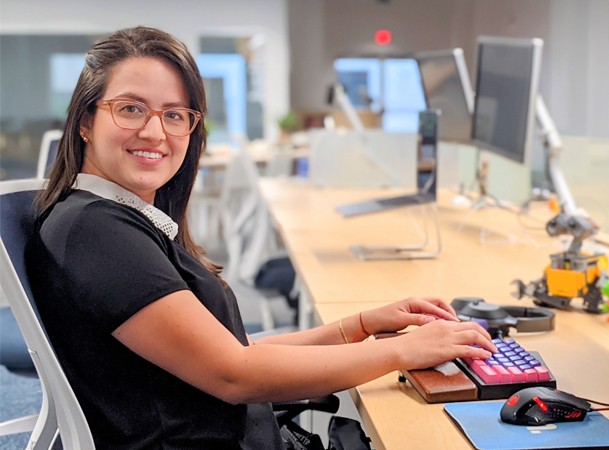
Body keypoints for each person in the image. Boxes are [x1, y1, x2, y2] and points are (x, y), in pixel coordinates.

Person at [27, 26, 496, 449]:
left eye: (175, 115)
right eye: (131, 109)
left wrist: (360, 326)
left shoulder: (117, 219)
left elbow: (236, 352)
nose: (155, 131)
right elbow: (235, 375)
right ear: (85, 121)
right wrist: (399, 350)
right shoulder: (96, 232)